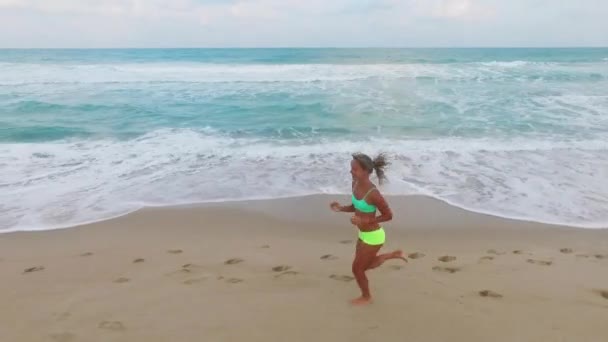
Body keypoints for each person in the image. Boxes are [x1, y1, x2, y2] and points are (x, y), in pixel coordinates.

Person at [330, 152, 406, 305]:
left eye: (355, 169)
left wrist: (365, 220)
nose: (351, 172)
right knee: (364, 266)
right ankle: (393, 255)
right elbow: (355, 206)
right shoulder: (355, 184)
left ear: (365, 171)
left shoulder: (374, 194)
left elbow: (388, 215)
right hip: (363, 233)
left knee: (357, 269)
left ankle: (366, 297)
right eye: (351, 168)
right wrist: (341, 208)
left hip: (374, 237)